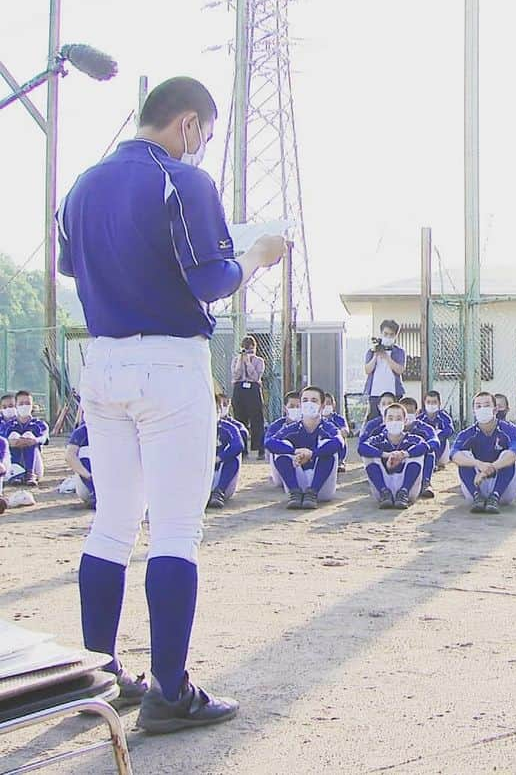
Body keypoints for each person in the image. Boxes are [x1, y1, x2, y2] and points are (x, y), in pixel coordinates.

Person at [58, 75, 287, 730]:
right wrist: (260, 256)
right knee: (176, 529)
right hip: (168, 362)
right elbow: (212, 279)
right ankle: (168, 691)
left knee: (111, 524)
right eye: (204, 135)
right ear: (186, 123)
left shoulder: (82, 183)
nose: (202, 148)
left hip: (101, 361)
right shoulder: (182, 180)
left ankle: (93, 678)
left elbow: (77, 268)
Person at [265, 386, 345, 510]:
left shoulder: (328, 427)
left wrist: (312, 454)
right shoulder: (293, 428)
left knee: (328, 448)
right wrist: (294, 451)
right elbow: (269, 442)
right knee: (281, 450)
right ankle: (294, 492)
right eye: (305, 400)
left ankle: (312, 492)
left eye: (314, 400)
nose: (309, 404)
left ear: (322, 406)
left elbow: (339, 442)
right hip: (297, 484)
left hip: (321, 488)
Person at [451, 391, 516, 514]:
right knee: (464, 456)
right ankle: (476, 497)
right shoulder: (468, 433)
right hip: (477, 482)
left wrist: (491, 468)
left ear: (495, 410)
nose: (482, 409)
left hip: (504, 488)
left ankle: (494, 497)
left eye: (486, 405)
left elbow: (514, 453)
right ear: (473, 411)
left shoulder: (509, 429)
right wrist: (478, 464)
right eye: (478, 406)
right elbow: (454, 455)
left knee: (507, 455)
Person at [358, 402, 428, 509]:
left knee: (417, 455)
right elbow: (361, 447)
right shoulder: (378, 439)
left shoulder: (412, 438)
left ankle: (403, 492)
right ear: (384, 421)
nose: (394, 422)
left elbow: (424, 446)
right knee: (368, 457)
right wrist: (386, 455)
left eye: (398, 418)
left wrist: (403, 454)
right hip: (383, 491)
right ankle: (384, 491)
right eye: (390, 418)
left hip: (408, 491)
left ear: (405, 421)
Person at [363, 319, 406, 422]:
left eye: (391, 334)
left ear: (395, 335)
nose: (388, 337)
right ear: (381, 333)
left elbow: (400, 370)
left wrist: (387, 357)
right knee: (374, 420)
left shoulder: (399, 351)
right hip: (375, 393)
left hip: (393, 392)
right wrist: (376, 354)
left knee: (393, 418)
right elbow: (367, 370)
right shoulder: (372, 350)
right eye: (385, 334)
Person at [230, 335, 265, 459]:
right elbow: (236, 375)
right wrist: (241, 360)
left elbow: (256, 377)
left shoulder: (259, 361)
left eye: (251, 350)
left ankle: (259, 449)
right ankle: (242, 450)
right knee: (240, 419)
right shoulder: (236, 360)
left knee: (257, 420)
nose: (249, 352)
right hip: (239, 389)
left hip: (253, 389)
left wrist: (249, 362)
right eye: (246, 350)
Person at [6, 391, 49, 486]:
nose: (24, 406)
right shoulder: (9, 425)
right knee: (13, 435)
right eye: (21, 403)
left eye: (27, 403)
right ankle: (17, 473)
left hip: (35, 464)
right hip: (13, 463)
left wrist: (34, 441)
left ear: (32, 405)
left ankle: (30, 473)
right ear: (16, 405)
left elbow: (45, 438)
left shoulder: (39, 424)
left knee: (29, 435)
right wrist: (9, 442)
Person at [399, 396, 439, 498]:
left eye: (410, 412)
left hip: (417, 460)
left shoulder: (424, 427)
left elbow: (435, 441)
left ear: (417, 413)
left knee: (430, 452)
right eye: (404, 412)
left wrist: (421, 448)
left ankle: (426, 483)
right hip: (398, 461)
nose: (407, 415)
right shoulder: (390, 428)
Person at [209, 408, 244, 509]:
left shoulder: (228, 427)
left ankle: (218, 492)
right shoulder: (195, 427)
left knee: (234, 459)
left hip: (219, 471)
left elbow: (238, 445)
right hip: (201, 471)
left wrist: (219, 458)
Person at [265, 391, 302, 487]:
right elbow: (268, 443)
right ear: (285, 408)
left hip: (302, 463)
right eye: (292, 406)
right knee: (282, 443)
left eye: (298, 406)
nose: (295, 409)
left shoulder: (308, 424)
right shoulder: (276, 425)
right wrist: (293, 451)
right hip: (282, 465)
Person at [420, 390, 454, 468]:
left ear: (439, 403)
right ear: (424, 403)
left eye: (434, 402)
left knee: (437, 434)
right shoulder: (420, 418)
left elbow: (449, 430)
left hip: (442, 452)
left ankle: (435, 462)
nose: (431, 405)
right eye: (428, 402)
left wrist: (435, 437)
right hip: (425, 448)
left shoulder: (444, 417)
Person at [65, 419, 95, 509]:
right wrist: (90, 477)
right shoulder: (83, 430)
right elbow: (69, 457)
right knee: (83, 453)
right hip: (89, 481)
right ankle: (95, 493)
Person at [321, 393, 350, 473]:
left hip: (334, 442)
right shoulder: (316, 418)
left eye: (329, 403)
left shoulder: (339, 418)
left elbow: (345, 431)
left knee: (340, 438)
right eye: (324, 403)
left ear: (333, 405)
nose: (326, 406)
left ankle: (340, 462)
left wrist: (340, 432)